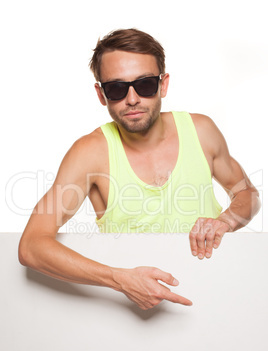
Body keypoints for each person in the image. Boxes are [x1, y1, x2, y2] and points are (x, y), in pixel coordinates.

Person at [18, 28, 260, 310]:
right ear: (100, 93)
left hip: (213, 298)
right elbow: (32, 246)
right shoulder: (89, 153)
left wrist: (226, 221)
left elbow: (247, 195)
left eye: (144, 85)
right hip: (129, 314)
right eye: (117, 89)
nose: (132, 99)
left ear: (163, 84)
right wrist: (118, 280)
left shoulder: (201, 131)